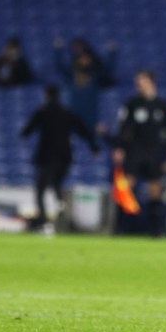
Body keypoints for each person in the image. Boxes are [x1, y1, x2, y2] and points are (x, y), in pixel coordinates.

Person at [20, 85, 100, 231]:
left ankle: (43, 220)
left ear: (46, 96)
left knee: (41, 190)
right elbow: (84, 130)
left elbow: (26, 132)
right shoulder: (67, 114)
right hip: (64, 158)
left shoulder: (42, 113)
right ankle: (62, 216)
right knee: (57, 186)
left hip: (46, 157)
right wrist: (94, 147)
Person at [113, 70, 166, 236]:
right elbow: (124, 128)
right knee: (126, 187)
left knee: (155, 188)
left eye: (141, 81)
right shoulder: (132, 104)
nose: (138, 85)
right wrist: (120, 147)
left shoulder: (163, 105)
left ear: (151, 82)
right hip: (135, 150)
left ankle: (156, 229)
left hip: (155, 151)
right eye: (137, 82)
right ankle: (120, 227)